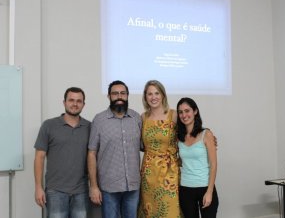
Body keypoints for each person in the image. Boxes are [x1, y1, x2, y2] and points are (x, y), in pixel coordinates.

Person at [87, 80, 142, 218]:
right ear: (109, 96)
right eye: (115, 93)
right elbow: (91, 153)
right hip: (109, 187)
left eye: (123, 93)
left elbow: (146, 146)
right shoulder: (99, 120)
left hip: (133, 186)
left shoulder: (136, 118)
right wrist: (93, 186)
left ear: (127, 95)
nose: (119, 97)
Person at [34, 87, 91, 218]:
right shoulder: (49, 125)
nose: (75, 104)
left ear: (83, 104)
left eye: (79, 101)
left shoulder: (90, 127)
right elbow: (39, 157)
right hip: (55, 192)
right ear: (64, 102)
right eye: (71, 100)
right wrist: (38, 187)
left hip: (81, 192)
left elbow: (93, 158)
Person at [138, 80, 182, 218]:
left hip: (170, 173)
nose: (153, 97)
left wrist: (206, 135)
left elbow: (190, 133)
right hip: (148, 173)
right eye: (149, 94)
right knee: (149, 210)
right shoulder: (143, 117)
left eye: (157, 93)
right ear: (145, 97)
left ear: (163, 95)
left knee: (170, 211)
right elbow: (138, 144)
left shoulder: (173, 115)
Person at [176, 97, 219, 218]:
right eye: (180, 112)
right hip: (185, 189)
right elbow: (182, 160)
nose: (184, 115)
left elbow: (214, 165)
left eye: (187, 111)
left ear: (195, 111)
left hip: (205, 187)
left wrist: (209, 192)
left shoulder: (206, 134)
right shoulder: (179, 137)